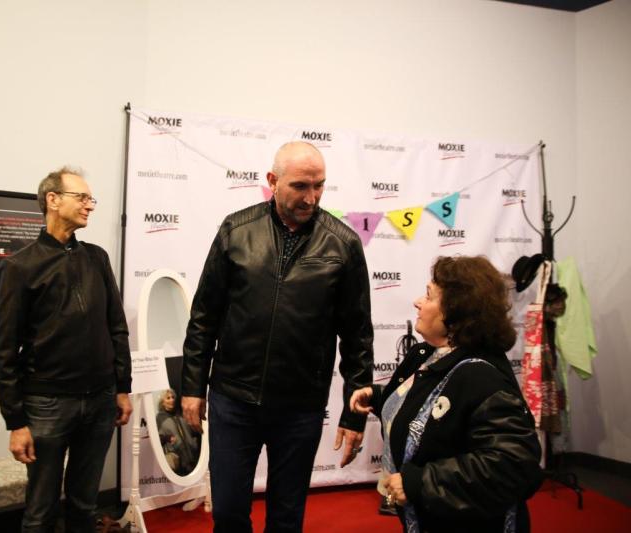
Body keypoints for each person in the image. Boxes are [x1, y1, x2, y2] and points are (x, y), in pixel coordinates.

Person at [181, 141, 374, 532]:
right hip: (233, 399)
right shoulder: (236, 230)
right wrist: (191, 388)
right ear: (272, 181)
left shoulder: (344, 244)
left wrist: (354, 416)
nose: (312, 197)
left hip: (300, 406)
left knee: (287, 518)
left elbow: (358, 336)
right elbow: (204, 317)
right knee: (229, 512)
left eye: (319, 186)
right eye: (300, 186)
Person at [350, 256, 543, 533]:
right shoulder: (428, 356)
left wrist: (420, 483)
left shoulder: (481, 376)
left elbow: (514, 465)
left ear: (455, 312)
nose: (418, 302)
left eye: (428, 296)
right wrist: (379, 396)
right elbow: (429, 409)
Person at [0, 167, 132, 533]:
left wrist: (122, 387)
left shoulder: (97, 258)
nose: (90, 205)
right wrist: (15, 422)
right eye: (82, 197)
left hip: (101, 400)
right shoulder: (18, 267)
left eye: (91, 199)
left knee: (85, 506)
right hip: (46, 405)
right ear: (52, 200)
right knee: (40, 511)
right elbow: (5, 350)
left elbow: (116, 326)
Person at [156, 389, 199, 475]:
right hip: (176, 459)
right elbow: (157, 439)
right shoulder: (159, 418)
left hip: (193, 456)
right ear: (162, 402)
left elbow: (192, 431)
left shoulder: (181, 414)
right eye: (168, 398)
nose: (172, 399)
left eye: (173, 397)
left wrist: (194, 441)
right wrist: (167, 438)